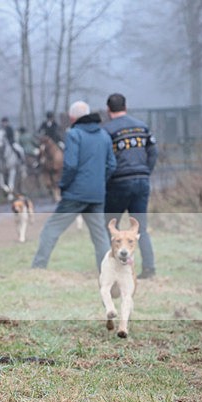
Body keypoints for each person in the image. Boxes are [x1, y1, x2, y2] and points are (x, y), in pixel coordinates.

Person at [32, 101, 117, 271]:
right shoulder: (104, 135)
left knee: (51, 228)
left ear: (72, 118)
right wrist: (99, 182)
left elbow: (70, 165)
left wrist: (63, 185)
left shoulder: (74, 134)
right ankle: (107, 271)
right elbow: (112, 165)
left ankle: (38, 267)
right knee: (100, 236)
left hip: (75, 195)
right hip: (97, 194)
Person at [102, 93, 159, 279]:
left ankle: (111, 268)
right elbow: (153, 152)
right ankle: (149, 268)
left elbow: (105, 159)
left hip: (118, 183)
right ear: (126, 106)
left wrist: (107, 179)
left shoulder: (106, 130)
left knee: (110, 225)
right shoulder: (142, 126)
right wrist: (145, 171)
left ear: (108, 109)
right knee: (140, 227)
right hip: (141, 181)